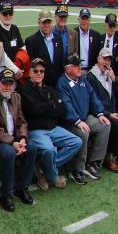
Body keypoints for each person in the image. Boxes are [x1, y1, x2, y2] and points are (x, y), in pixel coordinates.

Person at [19, 58, 82, 190]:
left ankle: (42, 166)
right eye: (35, 70)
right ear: (30, 72)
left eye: (41, 71)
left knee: (76, 142)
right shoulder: (25, 90)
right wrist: (50, 105)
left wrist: (45, 108)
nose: (39, 73)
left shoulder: (49, 88)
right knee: (49, 150)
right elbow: (32, 110)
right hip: (36, 130)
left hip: (54, 128)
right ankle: (53, 176)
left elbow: (61, 110)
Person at [0, 68, 37, 211]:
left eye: (10, 84)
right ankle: (5, 194)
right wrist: (11, 142)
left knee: (31, 147)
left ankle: (22, 187)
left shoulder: (16, 97)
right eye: (4, 83)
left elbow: (21, 120)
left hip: (15, 138)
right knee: (9, 153)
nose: (7, 87)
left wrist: (23, 138)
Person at [56, 54, 111, 184]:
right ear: (68, 69)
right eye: (76, 66)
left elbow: (93, 97)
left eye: (80, 65)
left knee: (105, 125)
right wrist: (78, 121)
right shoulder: (61, 83)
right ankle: (77, 170)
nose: (80, 68)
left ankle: (93, 162)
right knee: (83, 134)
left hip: (84, 118)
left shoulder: (83, 80)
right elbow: (66, 105)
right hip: (69, 122)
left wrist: (100, 114)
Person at [86, 49, 118, 171]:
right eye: (104, 59)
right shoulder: (91, 77)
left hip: (114, 110)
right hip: (101, 113)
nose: (107, 62)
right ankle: (108, 157)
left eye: (109, 59)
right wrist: (108, 113)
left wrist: (115, 80)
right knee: (114, 123)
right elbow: (93, 102)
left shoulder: (110, 74)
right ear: (98, 59)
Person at [24, 9, 67, 88]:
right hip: (41, 84)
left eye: (49, 22)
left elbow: (61, 61)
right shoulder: (31, 41)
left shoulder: (58, 39)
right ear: (39, 23)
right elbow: (32, 65)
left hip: (57, 83)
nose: (47, 25)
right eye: (44, 22)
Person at [68, 9, 103, 73]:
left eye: (86, 19)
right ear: (79, 20)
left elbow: (98, 54)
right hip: (76, 70)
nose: (84, 21)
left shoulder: (96, 35)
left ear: (89, 20)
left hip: (92, 70)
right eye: (82, 19)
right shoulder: (72, 33)